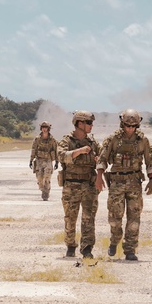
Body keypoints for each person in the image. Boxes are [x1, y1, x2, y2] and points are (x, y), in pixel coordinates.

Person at [96, 109, 152, 261]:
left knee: (134, 218)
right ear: (122, 124)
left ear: (137, 125)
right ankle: (115, 240)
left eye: (133, 126)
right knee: (115, 217)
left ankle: (130, 249)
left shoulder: (143, 141)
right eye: (127, 125)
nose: (130, 129)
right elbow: (102, 158)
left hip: (135, 183)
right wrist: (99, 176)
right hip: (116, 182)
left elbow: (150, 160)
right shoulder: (113, 139)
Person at [57, 111, 101, 258]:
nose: (91, 126)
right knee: (70, 218)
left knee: (89, 219)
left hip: (89, 185)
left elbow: (103, 157)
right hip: (71, 185)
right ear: (79, 124)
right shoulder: (67, 140)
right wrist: (79, 151)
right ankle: (70, 245)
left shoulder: (93, 142)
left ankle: (87, 249)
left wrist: (99, 160)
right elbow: (61, 156)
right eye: (88, 123)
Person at [29, 121, 59, 200]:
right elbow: (33, 149)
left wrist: (56, 162)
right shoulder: (37, 139)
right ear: (41, 128)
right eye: (43, 127)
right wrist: (31, 160)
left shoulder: (52, 140)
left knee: (47, 177)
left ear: (48, 129)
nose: (44, 129)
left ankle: (46, 193)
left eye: (46, 128)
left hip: (48, 160)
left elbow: (56, 150)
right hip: (39, 160)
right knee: (40, 178)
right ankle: (43, 189)